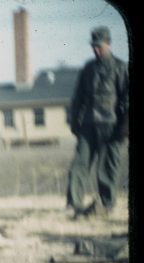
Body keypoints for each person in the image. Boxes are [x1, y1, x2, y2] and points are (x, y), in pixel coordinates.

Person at [66, 26, 129, 219]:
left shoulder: (121, 68)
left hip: (112, 126)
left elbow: (127, 99)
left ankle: (106, 205)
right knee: (79, 164)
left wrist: (125, 127)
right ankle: (74, 204)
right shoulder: (88, 69)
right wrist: (74, 121)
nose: (96, 50)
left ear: (109, 44)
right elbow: (77, 98)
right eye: (93, 46)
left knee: (107, 168)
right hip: (88, 125)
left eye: (99, 46)